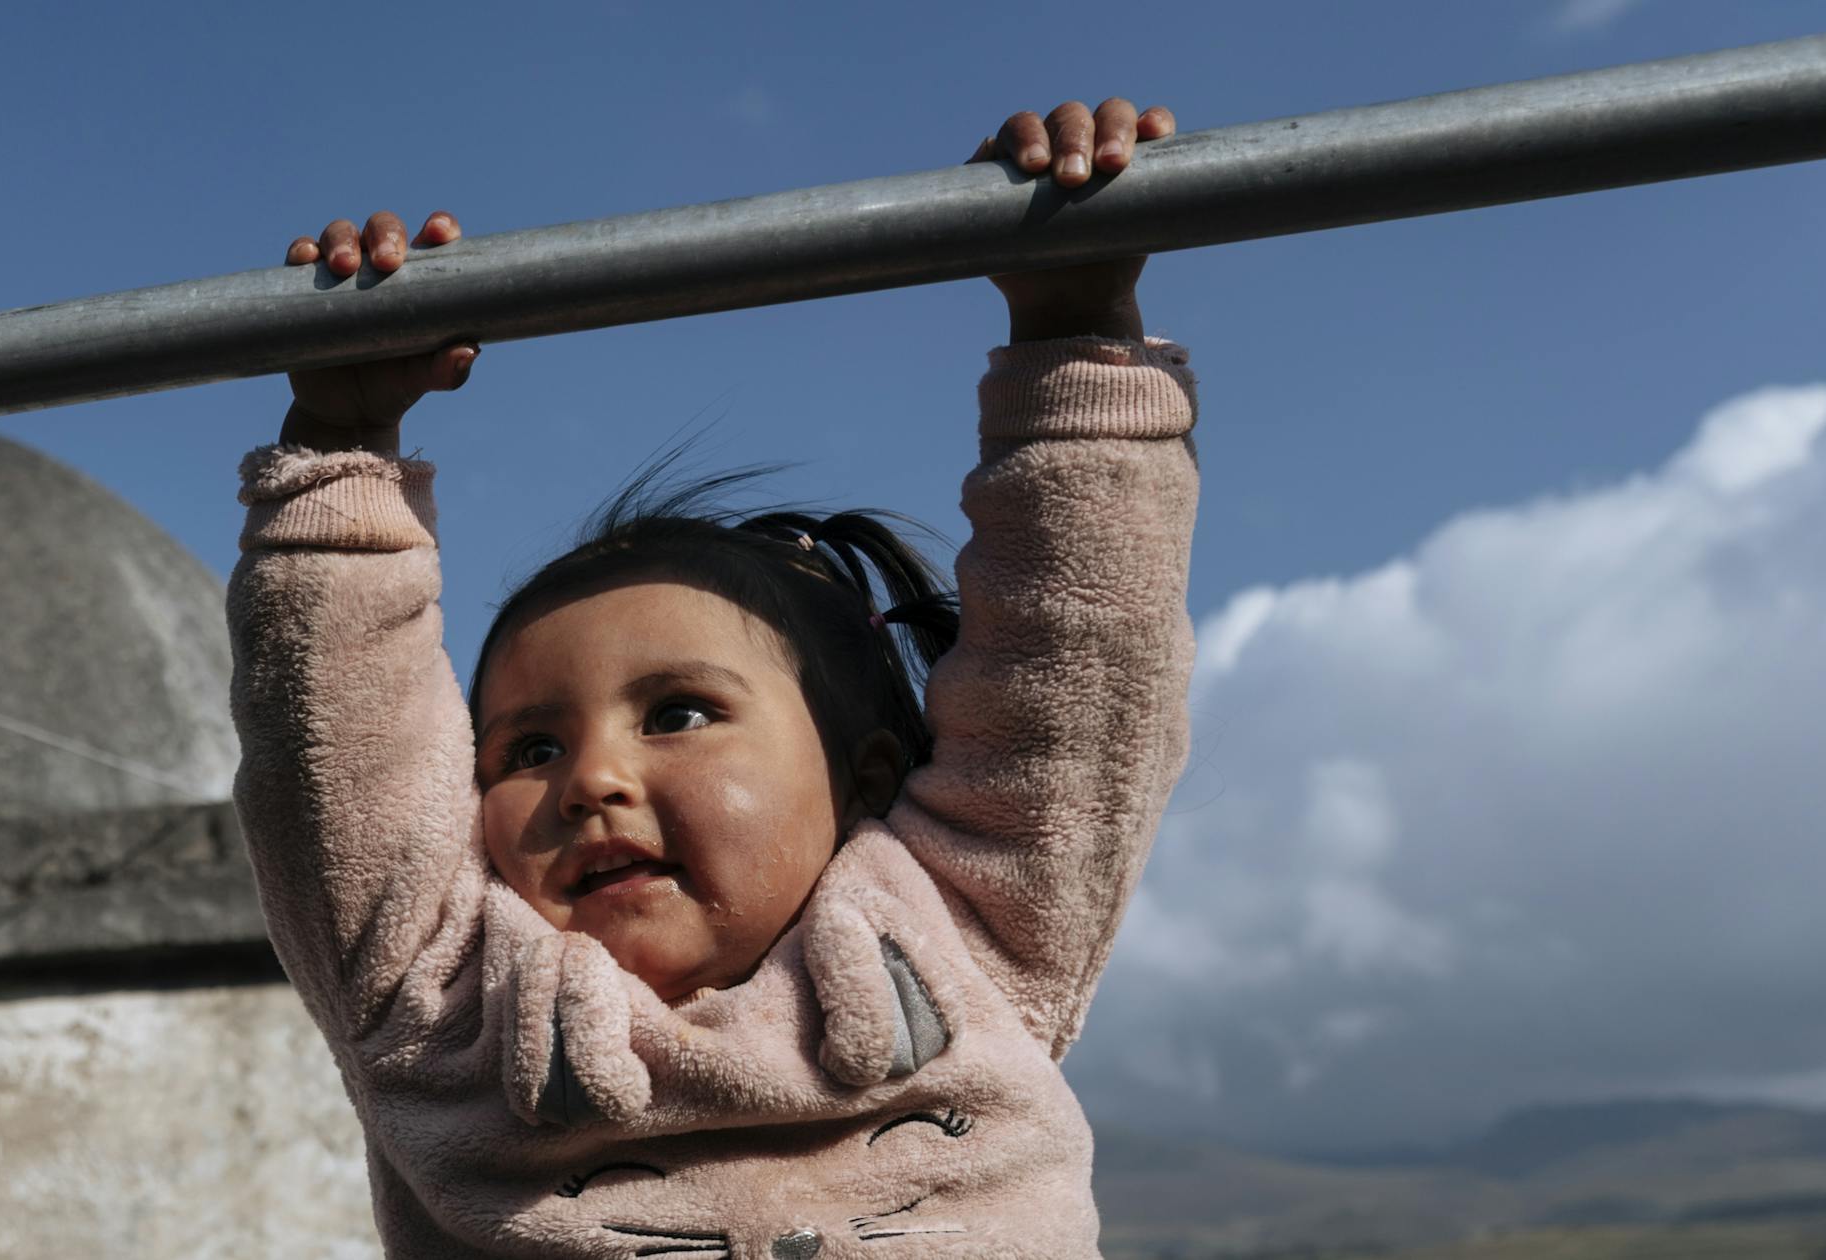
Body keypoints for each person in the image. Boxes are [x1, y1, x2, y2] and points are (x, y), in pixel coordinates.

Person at [230, 97, 1193, 1257]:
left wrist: (1074, 323)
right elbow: (337, 763)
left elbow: (1079, 671)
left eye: (678, 713)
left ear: (865, 777)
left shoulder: (965, 936)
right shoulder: (443, 1013)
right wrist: (339, 444)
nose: (592, 780)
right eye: (528, 749)